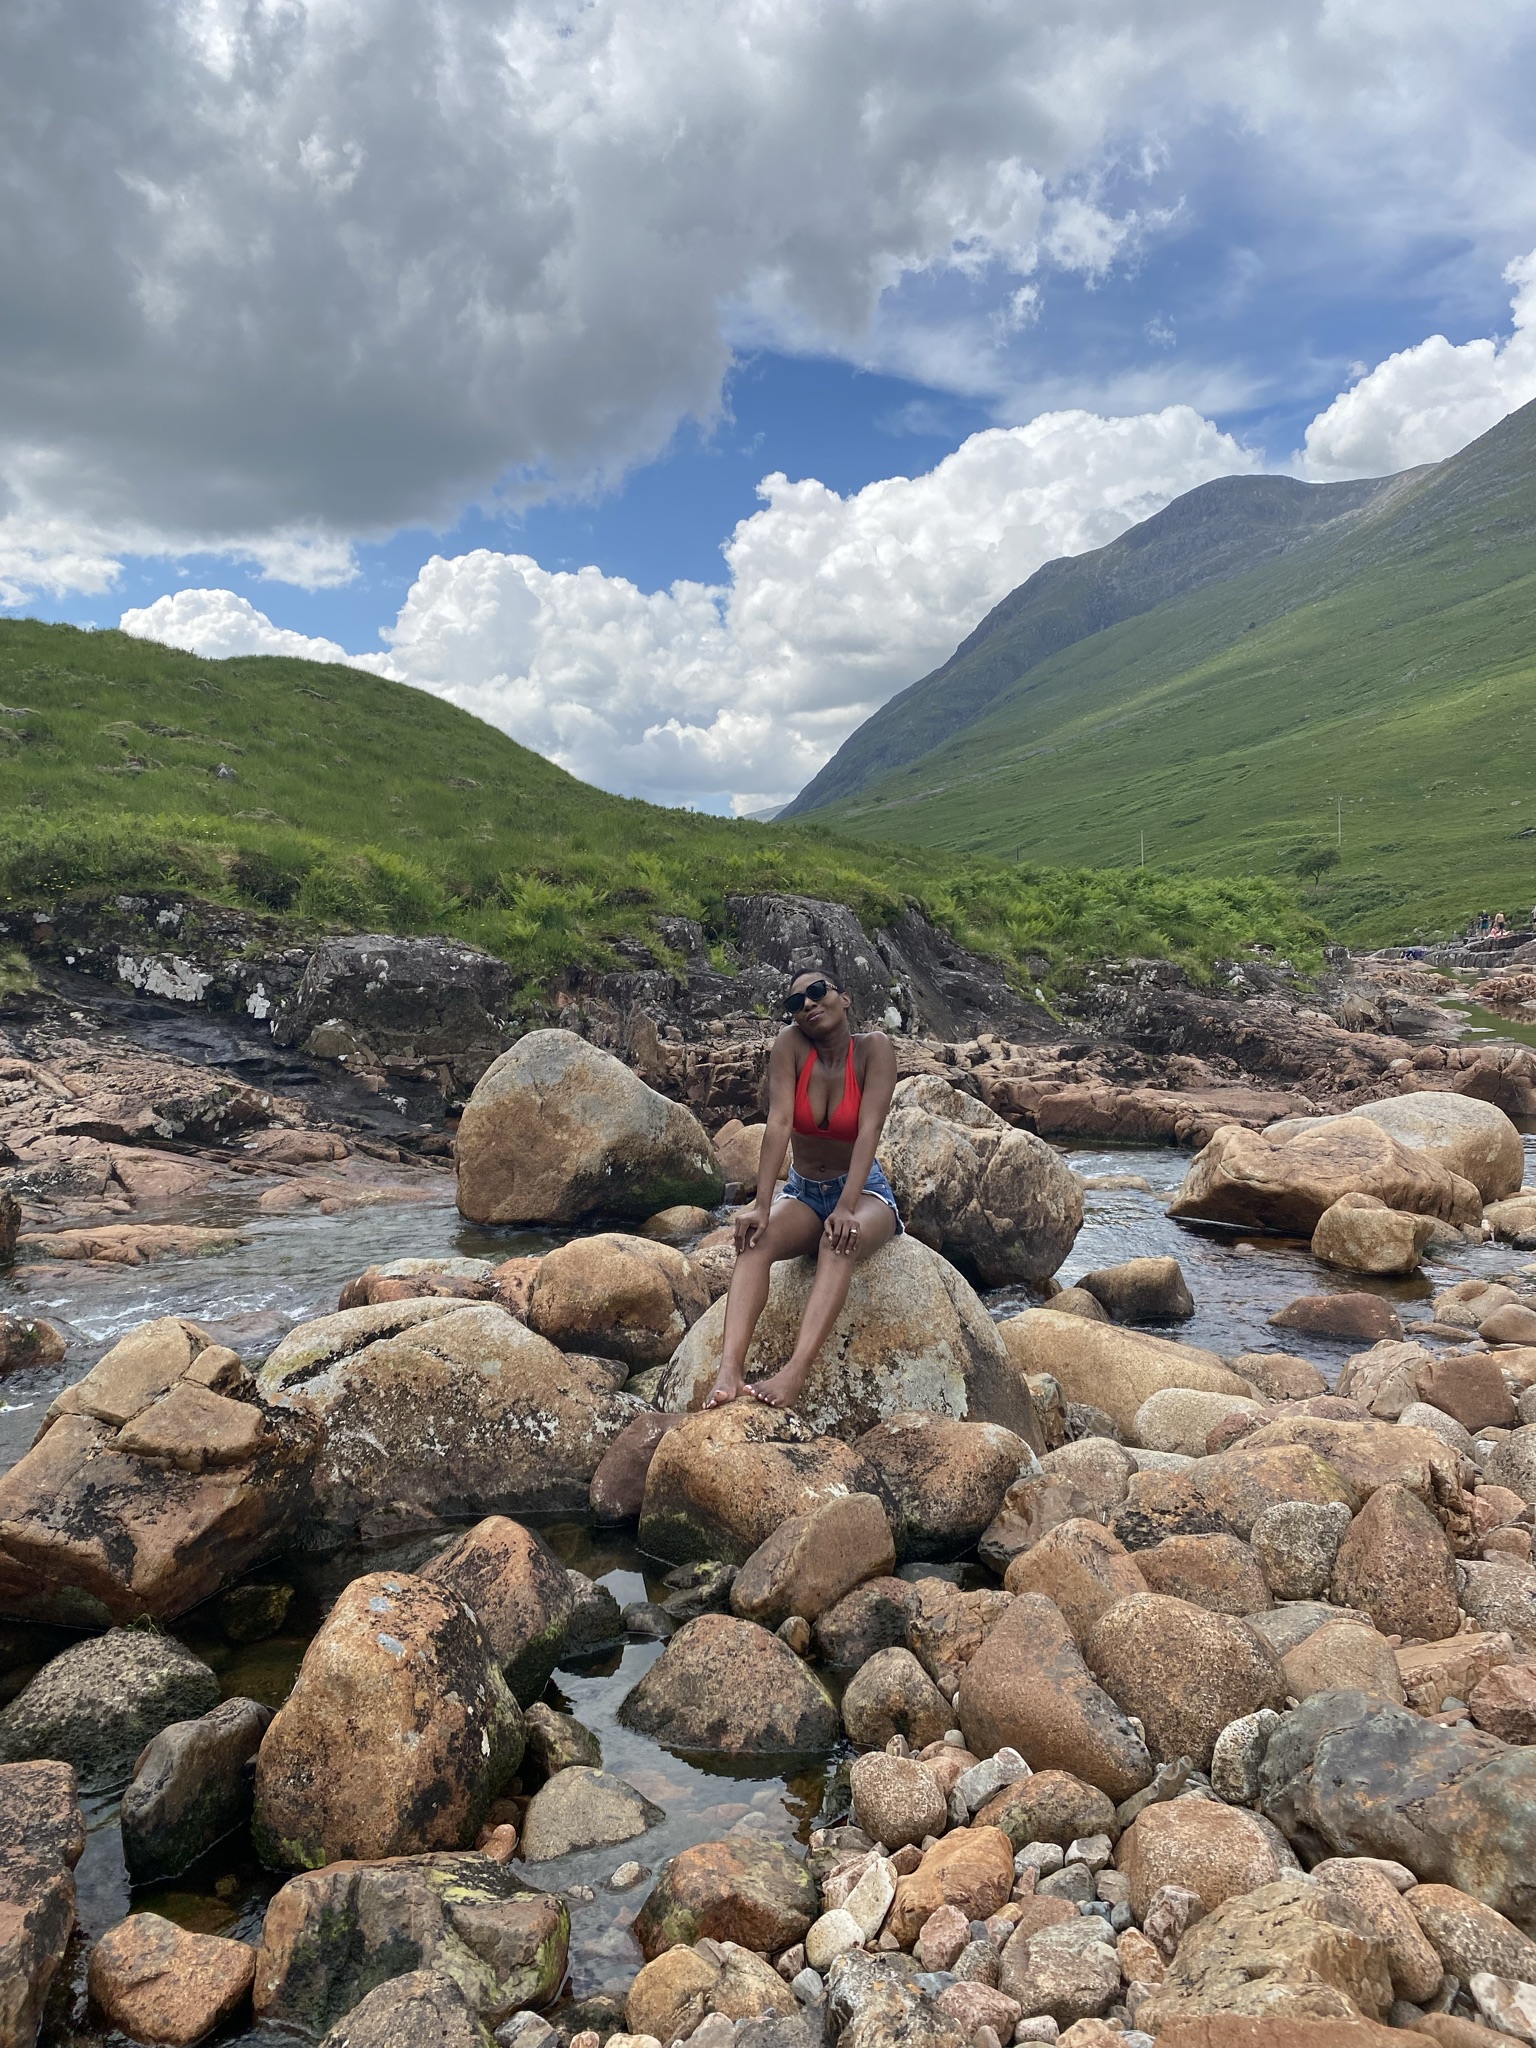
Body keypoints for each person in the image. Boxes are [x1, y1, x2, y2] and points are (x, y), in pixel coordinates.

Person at [705, 968, 900, 1411]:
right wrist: (761, 1204)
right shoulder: (790, 1047)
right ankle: (729, 1370)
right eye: (796, 1003)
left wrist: (848, 1206)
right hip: (805, 1191)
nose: (808, 1005)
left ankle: (794, 1372)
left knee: (838, 1241)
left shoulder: (875, 1050)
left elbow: (870, 1130)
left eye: (816, 992)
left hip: (865, 1192)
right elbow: (779, 1123)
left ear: (844, 998)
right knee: (753, 1242)